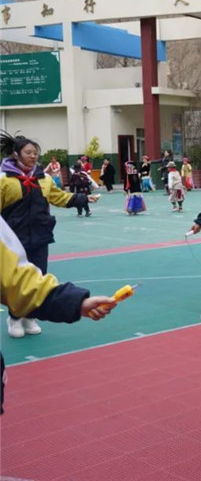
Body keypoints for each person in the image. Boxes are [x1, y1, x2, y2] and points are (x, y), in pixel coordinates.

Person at [0, 216, 116, 414]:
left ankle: (26, 317)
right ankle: (15, 318)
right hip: (19, 232)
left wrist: (73, 302)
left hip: (37, 237)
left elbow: (13, 278)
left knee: (36, 269)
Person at [0, 131, 97, 338]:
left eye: (35, 153)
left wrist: (82, 199)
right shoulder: (4, 180)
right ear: (16, 154)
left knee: (38, 275)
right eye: (28, 152)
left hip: (40, 237)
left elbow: (58, 197)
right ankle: (14, 318)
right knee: (16, 280)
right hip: (13, 241)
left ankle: (30, 316)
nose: (33, 156)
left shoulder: (43, 179)